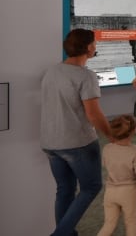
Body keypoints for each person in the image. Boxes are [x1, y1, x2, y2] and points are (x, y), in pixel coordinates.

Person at [40, 28, 111, 236]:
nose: (95, 47)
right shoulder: (86, 76)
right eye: (94, 44)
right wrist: (112, 136)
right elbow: (94, 115)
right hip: (77, 143)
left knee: (65, 190)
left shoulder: (52, 71)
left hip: (50, 142)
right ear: (88, 47)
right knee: (91, 187)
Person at [97, 114, 136, 236]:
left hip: (110, 192)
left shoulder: (107, 148)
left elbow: (104, 164)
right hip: (129, 193)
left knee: (109, 224)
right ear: (134, 130)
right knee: (131, 222)